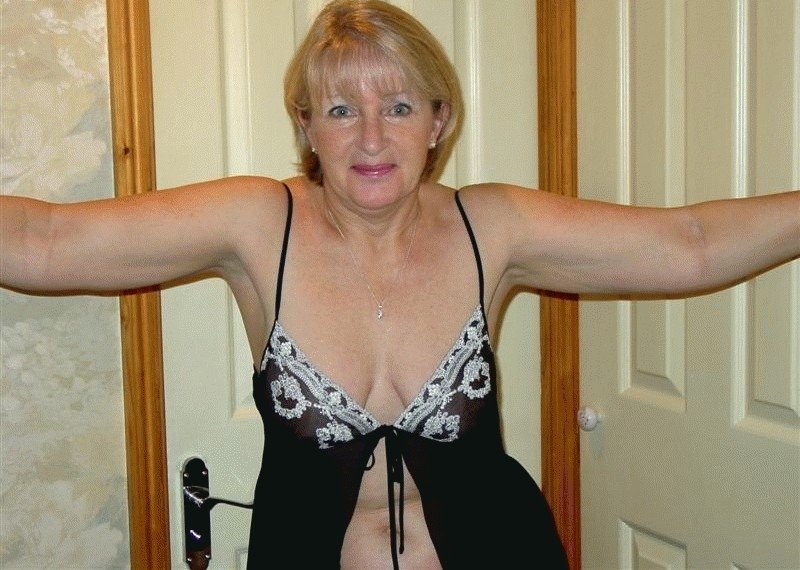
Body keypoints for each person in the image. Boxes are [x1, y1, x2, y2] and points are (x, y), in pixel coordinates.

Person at [1, 0, 798, 568]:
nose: (373, 138)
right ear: (306, 125)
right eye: (342, 109)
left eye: (400, 105)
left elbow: (689, 244)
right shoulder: (258, 225)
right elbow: (44, 241)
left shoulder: (493, 227)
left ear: (438, 121)